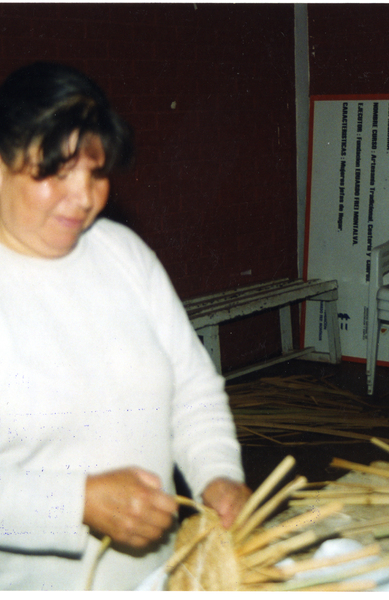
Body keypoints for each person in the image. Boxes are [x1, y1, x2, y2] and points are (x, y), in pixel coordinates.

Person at [0, 62, 251, 590]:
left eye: (96, 173)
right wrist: (78, 502)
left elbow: (192, 388)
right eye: (57, 173)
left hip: (162, 575)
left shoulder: (123, 252)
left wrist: (219, 475)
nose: (84, 197)